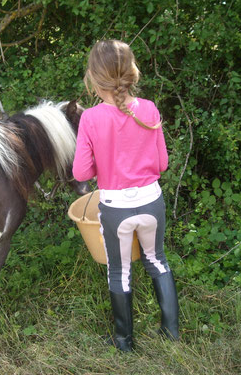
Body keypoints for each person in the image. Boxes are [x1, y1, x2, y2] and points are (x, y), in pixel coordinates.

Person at [72, 40, 179, 352]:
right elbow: (162, 164)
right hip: (151, 202)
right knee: (157, 260)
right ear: (132, 72)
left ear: (92, 78)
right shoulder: (148, 109)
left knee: (119, 272)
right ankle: (171, 331)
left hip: (116, 209)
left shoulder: (90, 118)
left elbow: (80, 173)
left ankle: (123, 342)